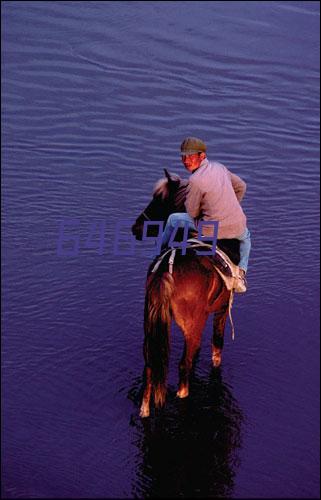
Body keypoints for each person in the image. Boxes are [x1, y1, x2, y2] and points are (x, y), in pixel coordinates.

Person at [161, 137, 251, 292]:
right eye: (183, 156)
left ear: (202, 156)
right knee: (246, 239)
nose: (185, 160)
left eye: (190, 156)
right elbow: (241, 186)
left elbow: (192, 212)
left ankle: (159, 253)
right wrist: (229, 207)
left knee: (172, 219)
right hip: (237, 226)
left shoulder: (195, 180)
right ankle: (241, 273)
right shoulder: (220, 167)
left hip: (210, 229)